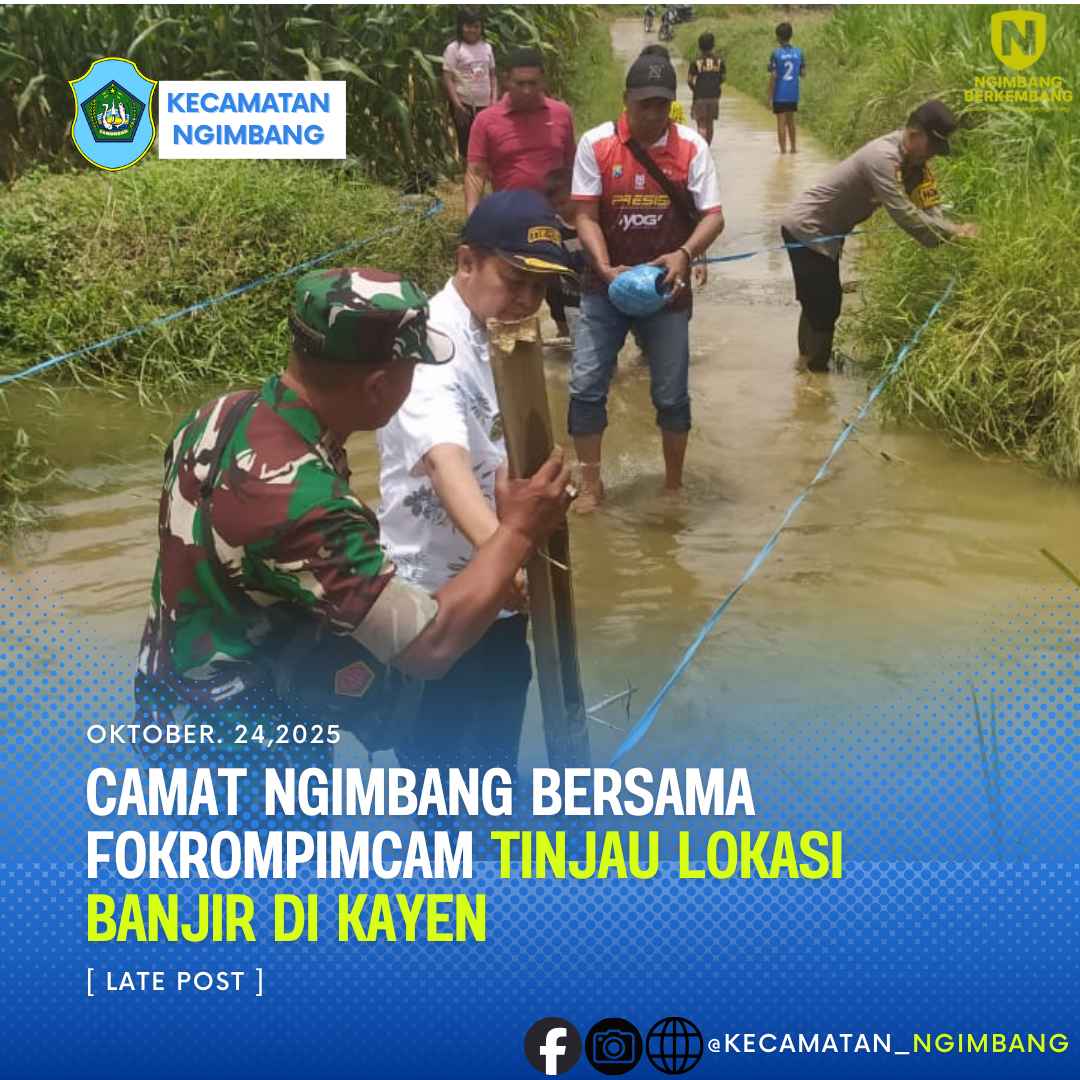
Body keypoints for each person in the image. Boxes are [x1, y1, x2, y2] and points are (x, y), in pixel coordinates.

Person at [135, 267, 576, 765]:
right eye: (414, 367)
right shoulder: (303, 501)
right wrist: (517, 531)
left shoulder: (219, 415)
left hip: (170, 709)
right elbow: (428, 644)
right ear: (377, 387)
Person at [376, 191, 578, 777]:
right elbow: (445, 463)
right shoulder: (432, 346)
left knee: (493, 773)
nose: (528, 301)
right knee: (441, 787)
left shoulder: (498, 334)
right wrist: (507, 553)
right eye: (515, 280)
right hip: (435, 603)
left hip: (497, 603)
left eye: (540, 289)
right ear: (467, 261)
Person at [568, 53, 725, 512]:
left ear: (672, 106)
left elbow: (713, 216)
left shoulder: (692, 147)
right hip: (606, 286)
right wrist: (602, 266)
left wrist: (685, 253)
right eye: (644, 106)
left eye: (662, 105)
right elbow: (584, 214)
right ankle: (592, 486)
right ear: (626, 102)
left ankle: (673, 485)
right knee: (587, 383)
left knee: (671, 392)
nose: (653, 115)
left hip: (666, 288)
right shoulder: (596, 144)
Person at [780, 100, 978, 372]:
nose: (932, 155)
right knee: (826, 304)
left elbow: (929, 206)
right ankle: (815, 378)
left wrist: (953, 230)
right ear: (915, 134)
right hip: (806, 227)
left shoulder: (915, 164)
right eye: (931, 147)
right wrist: (953, 233)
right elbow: (903, 212)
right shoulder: (882, 157)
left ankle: (805, 365)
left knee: (817, 301)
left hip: (829, 233)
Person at [464, 46, 576, 215]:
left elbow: (571, 165)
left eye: (533, 83)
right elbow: (476, 173)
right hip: (509, 217)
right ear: (506, 81)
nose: (527, 91)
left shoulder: (561, 114)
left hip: (555, 215)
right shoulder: (486, 121)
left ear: (543, 80)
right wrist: (473, 219)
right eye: (520, 83)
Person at [442, 8, 497, 160]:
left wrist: (494, 100)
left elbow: (492, 76)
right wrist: (457, 105)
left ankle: (483, 176)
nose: (472, 30)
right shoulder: (454, 49)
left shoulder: (487, 48)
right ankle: (467, 174)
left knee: (486, 141)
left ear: (481, 28)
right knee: (466, 141)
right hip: (463, 105)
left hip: (485, 105)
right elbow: (447, 78)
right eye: (468, 26)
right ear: (461, 26)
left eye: (476, 26)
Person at [543, 167, 585, 345]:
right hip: (572, 301)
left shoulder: (594, 223)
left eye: (563, 202)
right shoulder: (554, 230)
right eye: (555, 205)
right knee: (581, 349)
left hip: (600, 296)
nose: (560, 209)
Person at [768, 21, 805, 154]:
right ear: (791, 35)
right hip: (793, 93)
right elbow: (803, 73)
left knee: (781, 122)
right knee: (791, 121)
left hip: (780, 94)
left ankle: (783, 152)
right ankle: (794, 148)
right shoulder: (799, 52)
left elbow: (773, 76)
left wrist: (769, 96)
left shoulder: (776, 54)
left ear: (778, 37)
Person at [688, 31, 725, 146]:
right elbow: (723, 78)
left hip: (700, 96)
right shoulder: (719, 61)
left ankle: (701, 149)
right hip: (714, 96)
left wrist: (695, 89)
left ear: (699, 46)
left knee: (701, 125)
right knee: (710, 124)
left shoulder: (696, 61)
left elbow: (689, 80)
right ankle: (707, 148)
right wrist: (715, 85)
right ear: (713, 45)